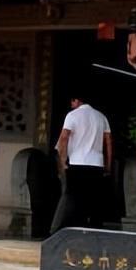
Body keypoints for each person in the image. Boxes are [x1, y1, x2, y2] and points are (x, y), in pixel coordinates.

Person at [50, 93, 112, 233]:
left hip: (77, 162)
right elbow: (108, 141)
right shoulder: (101, 117)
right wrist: (108, 164)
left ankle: (67, 230)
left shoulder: (72, 116)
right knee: (93, 199)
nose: (71, 105)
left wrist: (63, 160)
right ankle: (94, 230)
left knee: (74, 199)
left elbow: (64, 137)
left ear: (78, 100)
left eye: (72, 101)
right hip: (96, 163)